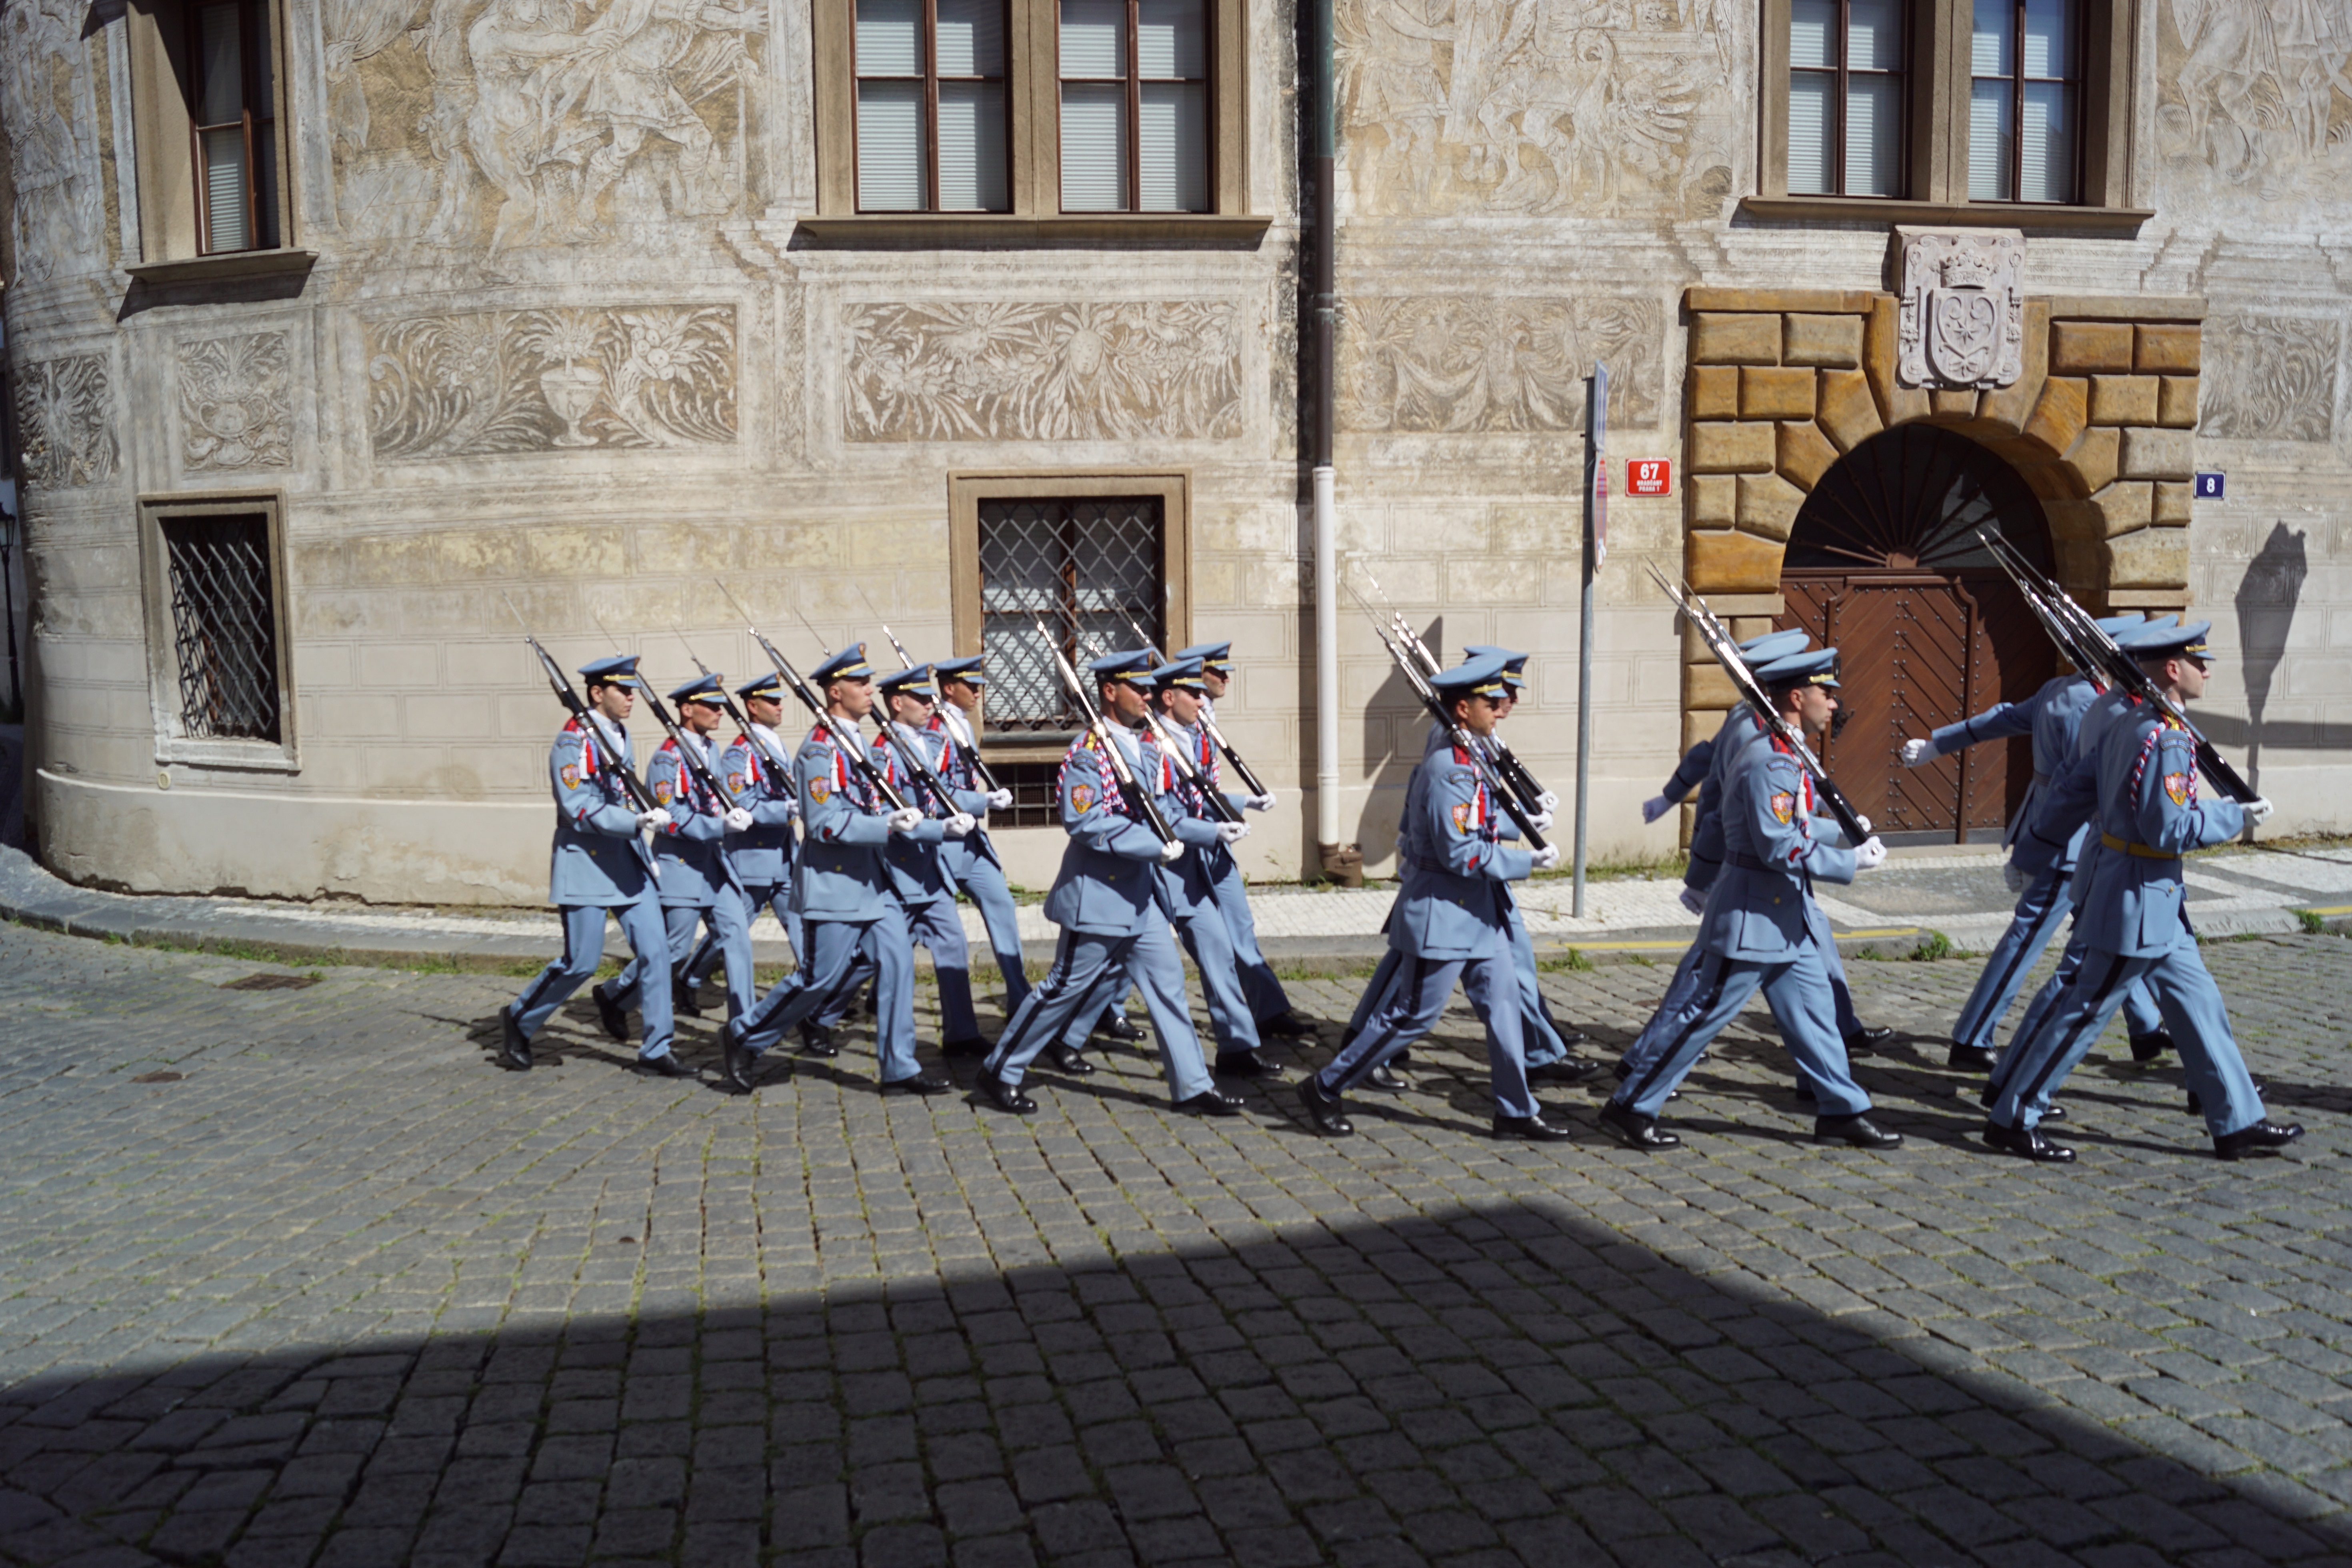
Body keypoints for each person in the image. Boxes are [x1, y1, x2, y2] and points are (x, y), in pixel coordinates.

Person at [1981, 622, 2302, 1163]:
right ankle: (2014, 1116)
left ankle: (2238, 1120)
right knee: (2084, 1010)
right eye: (2199, 663)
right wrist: (2233, 816)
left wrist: (2032, 851)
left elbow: (2070, 793)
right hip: (2134, 896)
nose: (2206, 671)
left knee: (2199, 1005)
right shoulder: (2167, 737)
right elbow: (2168, 829)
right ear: (2172, 670)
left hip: (2153, 900)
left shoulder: (2126, 722)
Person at [1596, 648, 1903, 1153]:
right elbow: (1779, 844)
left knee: (1815, 1012)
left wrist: (1838, 834)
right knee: (1704, 1015)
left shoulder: (1787, 750)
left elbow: (1794, 826)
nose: (1834, 704)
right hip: (1752, 914)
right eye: (1827, 694)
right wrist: (1851, 863)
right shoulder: (1771, 760)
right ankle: (1630, 1105)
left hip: (1786, 913)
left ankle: (1842, 1109)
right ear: (1797, 697)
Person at [1296, 654, 1572, 1143]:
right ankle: (1325, 1086)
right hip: (1442, 914)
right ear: (1463, 708)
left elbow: (1478, 824)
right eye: (1491, 701)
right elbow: (1461, 852)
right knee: (1412, 1015)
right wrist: (1525, 863)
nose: (1501, 708)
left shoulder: (1472, 754)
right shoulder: (1452, 768)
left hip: (1476, 915)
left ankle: (1515, 1108)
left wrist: (1521, 827)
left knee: (1504, 1008)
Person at [974, 650, 1244, 1118]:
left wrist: (1212, 830)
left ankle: (1193, 1085)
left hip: (1141, 898)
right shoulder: (1089, 753)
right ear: (1108, 691)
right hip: (1098, 896)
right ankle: (1001, 1068)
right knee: (1062, 990)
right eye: (1137, 687)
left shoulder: (1144, 745)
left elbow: (1169, 813)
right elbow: (1086, 822)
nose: (1147, 694)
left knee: (1168, 983)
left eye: (1148, 687)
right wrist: (1151, 846)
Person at [1900, 614, 2174, 1071]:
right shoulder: (2097, 705)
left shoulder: (2060, 690)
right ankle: (1972, 1035)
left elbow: (2002, 718)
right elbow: (2077, 785)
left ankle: (2145, 1026)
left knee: (2109, 937)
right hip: (2071, 841)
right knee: (2029, 938)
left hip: (2071, 837)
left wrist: (1939, 742)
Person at [717, 644, 952, 1098]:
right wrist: (885, 823)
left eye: (868, 682)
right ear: (835, 690)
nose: (870, 690)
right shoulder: (819, 751)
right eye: (861, 684)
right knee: (818, 978)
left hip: (873, 881)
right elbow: (825, 823)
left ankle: (899, 1065)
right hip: (834, 882)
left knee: (899, 960)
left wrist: (933, 825)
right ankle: (744, 1034)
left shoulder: (858, 741)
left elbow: (876, 804)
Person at [498, 654, 678, 1075]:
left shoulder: (619, 734)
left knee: (657, 953)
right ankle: (521, 1017)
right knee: (581, 961)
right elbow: (578, 806)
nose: (631, 697)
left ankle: (656, 1048)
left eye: (632, 689)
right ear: (598, 693)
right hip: (587, 863)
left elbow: (622, 790)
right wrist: (633, 820)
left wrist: (644, 830)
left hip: (628, 862)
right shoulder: (572, 742)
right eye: (623, 689)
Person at [1140, 655, 1277, 1080]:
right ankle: (1062, 1037)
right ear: (1169, 697)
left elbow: (1200, 796)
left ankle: (1237, 1047)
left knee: (1217, 949)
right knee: (1102, 969)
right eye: (1194, 693)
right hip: (1154, 869)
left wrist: (1240, 804)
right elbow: (1163, 816)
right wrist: (1214, 832)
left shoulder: (1189, 738)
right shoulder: (1151, 747)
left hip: (1188, 867)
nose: (1202, 701)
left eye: (1202, 692)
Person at [1174, 639, 1315, 1039]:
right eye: (1215, 672)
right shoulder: (1167, 734)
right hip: (1181, 846)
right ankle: (1093, 1011)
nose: (1225, 678)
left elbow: (1206, 790)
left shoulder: (1205, 720)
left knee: (1239, 924)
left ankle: (1268, 1012)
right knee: (1124, 944)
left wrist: (1243, 802)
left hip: (1212, 839)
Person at [874, 664, 990, 1057]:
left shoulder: (928, 742)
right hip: (897, 872)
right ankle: (822, 1012)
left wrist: (979, 802)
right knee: (863, 961)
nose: (929, 704)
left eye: (929, 697)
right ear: (896, 702)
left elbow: (945, 792)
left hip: (929, 870)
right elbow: (895, 819)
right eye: (920, 699)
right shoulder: (883, 751)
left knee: (953, 943)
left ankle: (961, 1032)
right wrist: (941, 831)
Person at [634, 673, 754, 1041]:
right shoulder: (666, 759)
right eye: (712, 706)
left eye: (720, 705)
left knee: (737, 939)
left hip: (714, 866)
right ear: (688, 710)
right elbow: (668, 819)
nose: (720, 712)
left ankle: (745, 1027)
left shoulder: (710, 750)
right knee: (672, 951)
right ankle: (614, 996)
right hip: (681, 867)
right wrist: (720, 828)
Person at [682, 673, 800, 1012]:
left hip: (785, 857)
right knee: (729, 932)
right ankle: (689, 976)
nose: (780, 706)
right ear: (753, 706)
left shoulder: (773, 743)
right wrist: (784, 809)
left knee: (801, 927)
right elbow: (741, 803)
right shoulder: (739, 753)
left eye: (780, 701)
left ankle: (817, 993)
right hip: (754, 858)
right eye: (772, 701)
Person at [931, 655, 1028, 1022]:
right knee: (913, 928)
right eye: (970, 686)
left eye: (978, 685)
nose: (977, 692)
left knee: (1001, 904)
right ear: (948, 688)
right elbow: (937, 790)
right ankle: (831, 1002)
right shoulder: (937, 729)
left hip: (971, 840)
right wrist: (982, 799)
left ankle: (1020, 997)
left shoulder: (962, 724)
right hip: (942, 840)